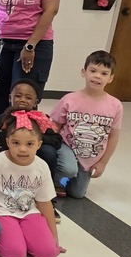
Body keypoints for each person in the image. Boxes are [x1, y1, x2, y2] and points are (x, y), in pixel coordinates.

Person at [0, 112, 63, 257]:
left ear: (39, 144)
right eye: (16, 143)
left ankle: (24, 237)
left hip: (28, 213)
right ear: (7, 142)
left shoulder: (41, 166)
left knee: (49, 254)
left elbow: (44, 202)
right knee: (16, 253)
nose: (22, 149)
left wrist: (54, 238)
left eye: (29, 144)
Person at [51, 51, 122, 200]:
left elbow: (114, 136)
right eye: (93, 71)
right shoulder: (69, 99)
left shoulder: (115, 105)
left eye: (104, 73)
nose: (97, 76)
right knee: (68, 168)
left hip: (90, 156)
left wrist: (103, 163)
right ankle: (54, 181)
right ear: (84, 72)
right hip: (67, 147)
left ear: (111, 78)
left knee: (78, 194)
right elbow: (55, 124)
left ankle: (68, 178)